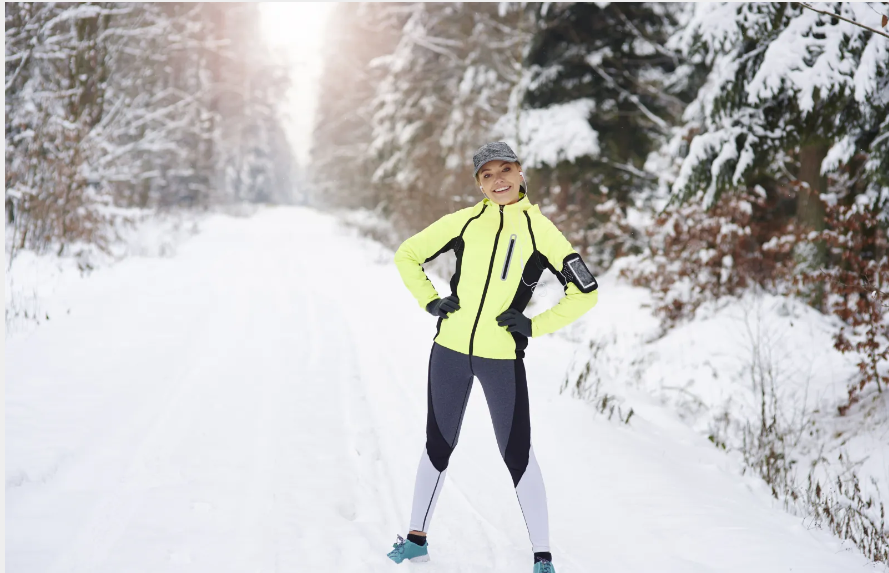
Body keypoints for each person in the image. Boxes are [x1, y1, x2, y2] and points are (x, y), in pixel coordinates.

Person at [386, 142, 599, 573]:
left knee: (517, 452)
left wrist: (535, 325)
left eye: (505, 170)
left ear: (521, 173)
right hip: (448, 351)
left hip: (500, 357)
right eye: (487, 175)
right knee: (437, 446)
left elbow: (586, 290)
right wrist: (430, 301)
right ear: (478, 183)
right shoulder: (463, 223)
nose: (497, 180)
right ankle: (416, 541)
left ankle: (542, 557)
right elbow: (406, 254)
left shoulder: (542, 231)